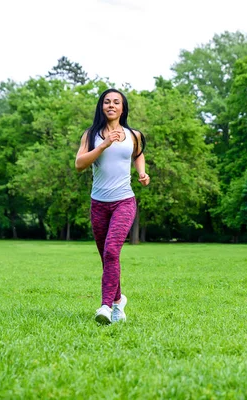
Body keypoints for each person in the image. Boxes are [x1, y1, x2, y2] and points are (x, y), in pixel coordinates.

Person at [75, 88, 150, 324]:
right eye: (107, 101)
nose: (111, 105)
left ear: (122, 108)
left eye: (116, 102)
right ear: (101, 106)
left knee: (111, 252)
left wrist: (142, 172)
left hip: (124, 201)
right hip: (98, 204)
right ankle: (119, 302)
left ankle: (106, 307)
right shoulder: (91, 135)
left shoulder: (133, 135)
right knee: (107, 257)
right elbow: (79, 164)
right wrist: (103, 145)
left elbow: (138, 154)